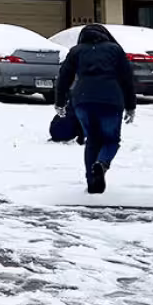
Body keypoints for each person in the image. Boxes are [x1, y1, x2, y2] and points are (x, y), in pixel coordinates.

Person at [55, 23, 136, 194]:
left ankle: (92, 182)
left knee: (92, 140)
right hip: (110, 100)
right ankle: (102, 163)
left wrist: (60, 102)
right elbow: (127, 79)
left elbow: (63, 77)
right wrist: (130, 106)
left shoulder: (76, 51)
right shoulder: (115, 50)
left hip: (83, 100)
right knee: (111, 140)